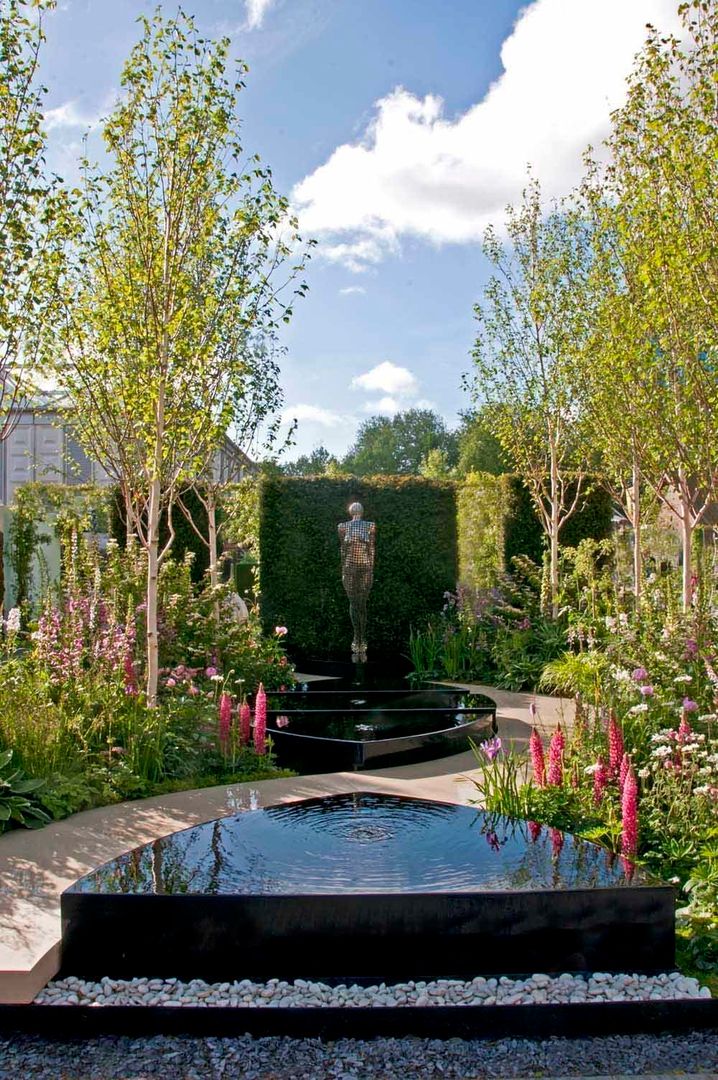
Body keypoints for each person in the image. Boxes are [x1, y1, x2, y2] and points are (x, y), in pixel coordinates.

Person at [338, 502, 376, 662]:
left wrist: (371, 568)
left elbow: (372, 549)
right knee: (354, 602)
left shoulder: (370, 526)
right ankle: (357, 638)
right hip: (349, 569)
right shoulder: (342, 527)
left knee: (362, 603)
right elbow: (342, 549)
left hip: (365, 568)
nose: (356, 511)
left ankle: (362, 638)